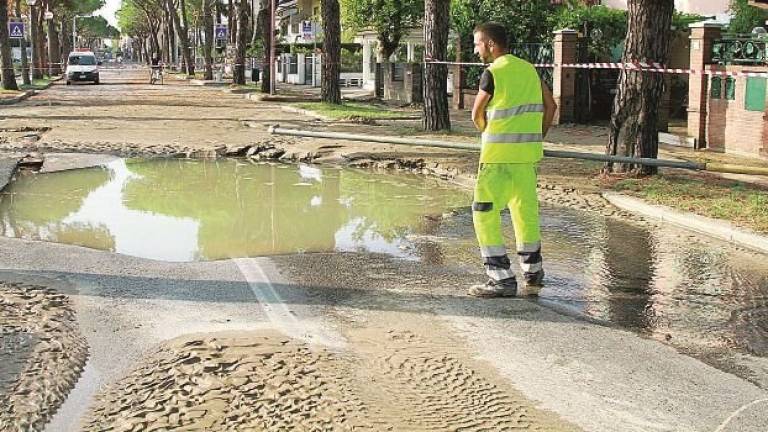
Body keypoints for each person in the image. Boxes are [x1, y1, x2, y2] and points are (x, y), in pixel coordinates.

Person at [467, 22, 557, 298]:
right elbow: (551, 106)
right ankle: (533, 273)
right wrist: (535, 136)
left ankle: (500, 278)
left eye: (477, 43)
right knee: (524, 213)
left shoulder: (493, 73)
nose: (475, 49)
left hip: (497, 160)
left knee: (484, 213)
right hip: (527, 158)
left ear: (491, 44)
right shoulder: (529, 69)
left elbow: (476, 114)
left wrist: (489, 133)